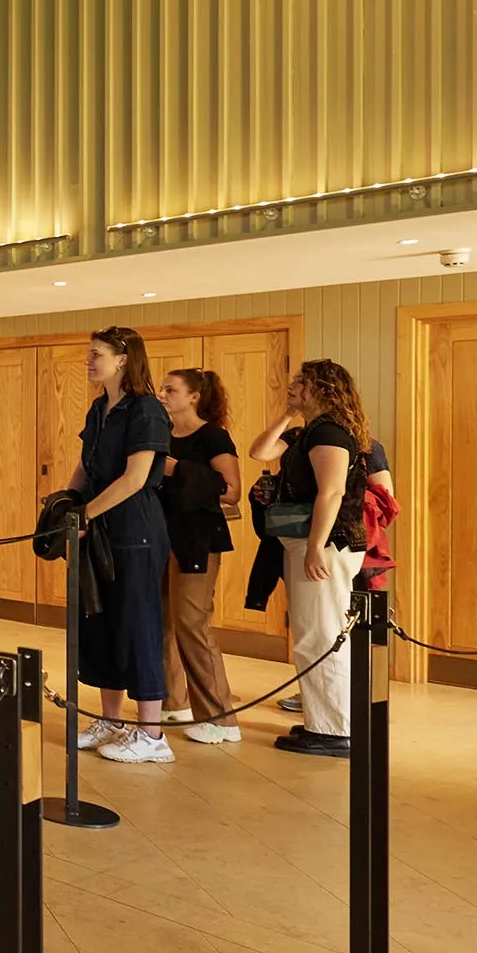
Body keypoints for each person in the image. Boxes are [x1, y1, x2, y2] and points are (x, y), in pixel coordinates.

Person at [249, 360, 370, 757]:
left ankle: (336, 730)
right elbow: (260, 451)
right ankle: (323, 720)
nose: (292, 384)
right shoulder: (309, 432)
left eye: (302, 381)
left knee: (322, 633)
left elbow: (331, 493)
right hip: (306, 544)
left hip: (326, 545)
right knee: (310, 633)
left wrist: (316, 546)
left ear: (324, 387)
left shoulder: (331, 433)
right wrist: (288, 413)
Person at [69, 327, 174, 764]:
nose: (89, 361)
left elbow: (135, 478)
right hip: (99, 529)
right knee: (101, 622)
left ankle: (152, 735)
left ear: (124, 359)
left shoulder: (146, 410)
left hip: (135, 530)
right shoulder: (99, 409)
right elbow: (84, 467)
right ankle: (111, 722)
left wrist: (86, 513)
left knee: (138, 625)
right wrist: (66, 505)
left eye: (97, 355)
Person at [157, 368, 242, 745]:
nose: (162, 393)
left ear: (193, 396)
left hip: (197, 540)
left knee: (192, 623)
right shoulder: (158, 434)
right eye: (162, 388)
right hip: (159, 537)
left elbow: (230, 490)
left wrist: (177, 470)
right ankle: (174, 702)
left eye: (171, 389)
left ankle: (220, 717)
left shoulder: (213, 436)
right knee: (161, 621)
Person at [280, 438, 392, 714]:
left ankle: (346, 704)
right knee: (317, 627)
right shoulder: (298, 438)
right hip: (303, 538)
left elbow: (385, 498)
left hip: (343, 541)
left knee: (335, 627)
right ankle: (318, 696)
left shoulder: (367, 446)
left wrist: (343, 503)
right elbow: (260, 452)